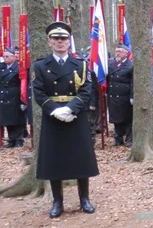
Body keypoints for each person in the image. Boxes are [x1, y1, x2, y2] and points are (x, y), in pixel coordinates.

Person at [32, 22, 99, 218]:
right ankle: (57, 202)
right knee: (54, 160)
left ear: (69, 42)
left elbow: (86, 90)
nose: (60, 42)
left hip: (75, 116)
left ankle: (84, 199)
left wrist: (70, 109)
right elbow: (38, 92)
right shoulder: (40, 65)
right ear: (49, 42)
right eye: (56, 39)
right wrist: (55, 111)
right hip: (53, 118)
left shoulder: (81, 64)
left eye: (63, 39)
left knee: (81, 158)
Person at [107, 43, 134, 147]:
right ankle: (118, 138)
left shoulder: (130, 65)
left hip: (125, 97)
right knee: (116, 119)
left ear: (126, 53)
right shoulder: (111, 64)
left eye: (120, 51)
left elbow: (133, 82)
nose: (117, 53)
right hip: (113, 96)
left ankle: (129, 139)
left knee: (127, 119)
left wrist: (132, 96)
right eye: (116, 51)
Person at [0, 47, 27, 148]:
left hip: (15, 95)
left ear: (14, 57)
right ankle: (11, 139)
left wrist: (23, 99)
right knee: (6, 118)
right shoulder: (2, 67)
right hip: (4, 95)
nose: (5, 58)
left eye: (7, 56)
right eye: (4, 56)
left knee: (17, 118)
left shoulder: (19, 68)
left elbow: (23, 84)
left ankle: (19, 139)